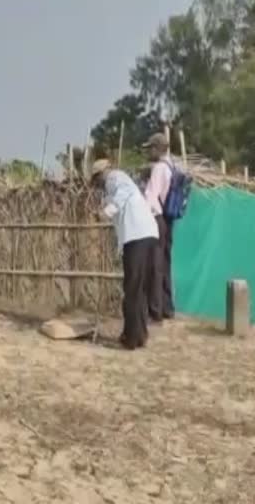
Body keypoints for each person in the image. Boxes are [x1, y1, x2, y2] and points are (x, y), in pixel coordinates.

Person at [90, 159, 159, 350]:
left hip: (138, 236)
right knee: (137, 288)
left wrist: (106, 212)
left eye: (97, 178)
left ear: (103, 172)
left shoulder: (115, 177)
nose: (97, 183)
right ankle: (137, 335)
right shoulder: (112, 186)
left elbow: (123, 194)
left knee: (132, 288)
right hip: (143, 235)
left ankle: (131, 338)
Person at [142, 133, 175, 322]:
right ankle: (167, 307)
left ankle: (155, 311)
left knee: (155, 265)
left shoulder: (159, 169)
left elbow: (151, 197)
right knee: (166, 264)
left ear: (157, 148)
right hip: (170, 220)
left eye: (150, 148)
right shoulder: (172, 166)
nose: (148, 151)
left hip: (158, 218)